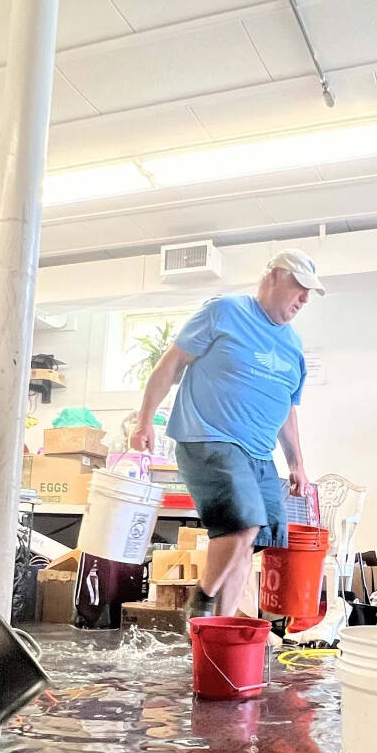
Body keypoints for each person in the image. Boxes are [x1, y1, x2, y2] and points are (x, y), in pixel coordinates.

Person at [130, 251, 319, 617]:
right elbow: (170, 364)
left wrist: (297, 464)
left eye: (311, 293)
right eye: (300, 287)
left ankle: (218, 630)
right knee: (244, 523)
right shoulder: (226, 312)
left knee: (249, 543)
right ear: (275, 276)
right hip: (209, 437)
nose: (305, 298)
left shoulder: (293, 345)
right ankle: (202, 599)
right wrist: (144, 421)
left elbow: (286, 408)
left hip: (260, 455)